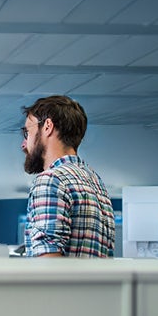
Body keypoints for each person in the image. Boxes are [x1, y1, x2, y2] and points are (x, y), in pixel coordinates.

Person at [20, 95, 115, 258]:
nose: (24, 144)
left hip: (64, 284)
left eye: (27, 132)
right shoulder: (95, 181)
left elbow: (49, 264)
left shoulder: (51, 180)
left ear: (47, 126)